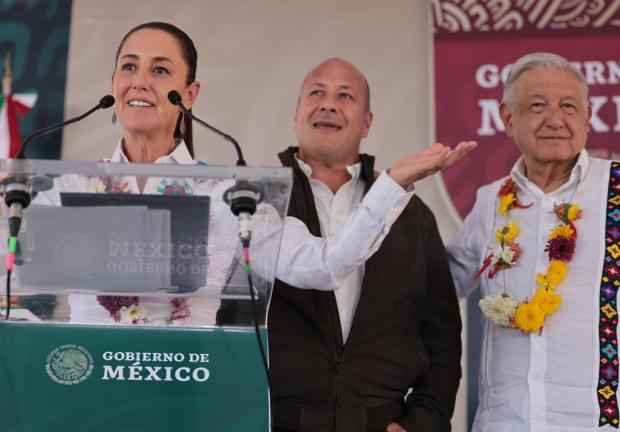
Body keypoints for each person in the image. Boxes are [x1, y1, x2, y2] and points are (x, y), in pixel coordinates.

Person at [269, 58, 471, 432]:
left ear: (366, 123)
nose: (328, 104)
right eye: (317, 93)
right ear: (297, 113)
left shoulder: (411, 216)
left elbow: (441, 333)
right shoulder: (259, 203)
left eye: (345, 96)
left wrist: (423, 420)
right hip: (276, 421)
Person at [447, 52, 617, 431]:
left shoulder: (617, 189)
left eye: (569, 106)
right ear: (508, 119)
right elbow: (440, 286)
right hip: (507, 422)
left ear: (588, 117)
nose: (555, 120)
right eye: (537, 106)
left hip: (598, 423)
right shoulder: (492, 200)